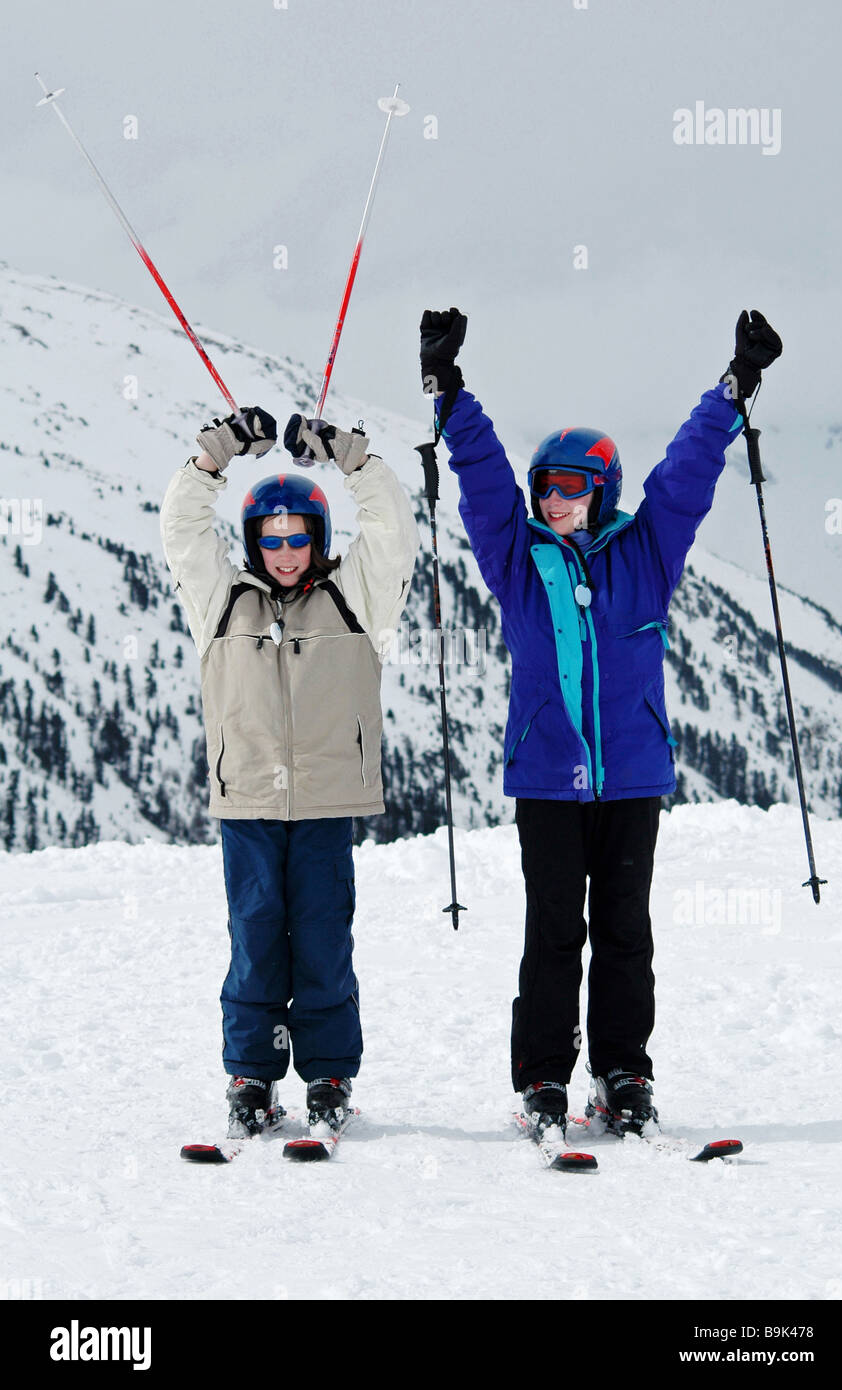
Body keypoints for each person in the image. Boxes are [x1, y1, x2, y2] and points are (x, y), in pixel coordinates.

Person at [419, 306, 782, 1143]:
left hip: (632, 777)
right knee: (553, 931)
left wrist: (735, 389)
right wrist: (449, 391)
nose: (555, 500)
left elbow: (687, 476)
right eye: (547, 486)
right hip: (548, 777)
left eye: (573, 487)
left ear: (603, 491)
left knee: (625, 932)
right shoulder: (516, 558)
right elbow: (480, 479)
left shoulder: (645, 554)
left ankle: (624, 1072)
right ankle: (544, 1075)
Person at [160, 406, 419, 1138]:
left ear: (317, 537)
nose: (283, 550)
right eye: (270, 539)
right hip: (246, 801)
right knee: (255, 936)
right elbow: (181, 534)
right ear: (251, 542)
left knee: (322, 938)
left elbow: (393, 533)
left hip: (326, 801)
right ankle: (252, 1075)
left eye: (297, 536)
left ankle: (329, 1075)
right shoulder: (220, 601)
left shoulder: (355, 598)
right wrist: (214, 460)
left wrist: (350, 460)